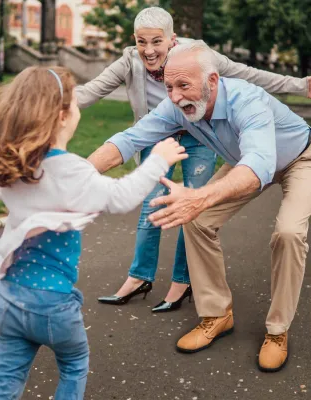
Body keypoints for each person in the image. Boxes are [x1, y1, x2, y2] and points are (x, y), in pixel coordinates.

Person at [0, 66, 187, 399]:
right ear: (61, 116)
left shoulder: (8, 167)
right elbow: (121, 197)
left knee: (3, 383)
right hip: (53, 305)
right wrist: (158, 159)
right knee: (73, 365)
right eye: (74, 104)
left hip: (7, 300)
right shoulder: (70, 170)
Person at [88, 41, 311, 372]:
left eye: (183, 85)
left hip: (297, 158)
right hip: (243, 161)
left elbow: (260, 164)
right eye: (168, 87)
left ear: (212, 81)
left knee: (289, 233)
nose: (176, 97)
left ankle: (277, 332)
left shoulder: (246, 100)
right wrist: (78, 176)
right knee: (196, 220)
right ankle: (217, 314)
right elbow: (130, 139)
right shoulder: (176, 107)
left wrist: (200, 196)